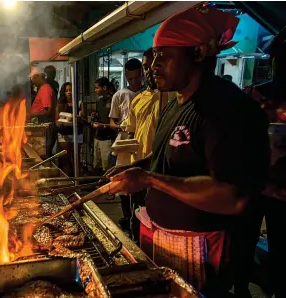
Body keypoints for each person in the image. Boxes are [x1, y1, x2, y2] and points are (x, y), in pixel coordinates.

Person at [105, 6, 270, 296]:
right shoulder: (174, 105)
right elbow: (166, 162)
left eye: (164, 56)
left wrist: (149, 179)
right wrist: (136, 170)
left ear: (198, 54)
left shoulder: (226, 109)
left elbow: (232, 197)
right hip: (167, 244)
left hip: (204, 253)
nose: (153, 65)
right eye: (153, 56)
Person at [239, 27, 286, 298]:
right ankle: (243, 287)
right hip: (257, 185)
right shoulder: (256, 95)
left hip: (270, 188)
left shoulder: (257, 95)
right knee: (244, 241)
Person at [123, 49, 176, 243]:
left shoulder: (173, 98)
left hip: (161, 171)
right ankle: (137, 245)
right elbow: (131, 132)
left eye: (154, 65)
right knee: (136, 213)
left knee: (157, 218)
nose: (150, 71)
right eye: (146, 67)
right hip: (138, 164)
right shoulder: (138, 99)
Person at [108, 58, 143, 232]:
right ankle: (126, 215)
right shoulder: (120, 95)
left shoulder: (149, 95)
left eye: (137, 78)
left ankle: (138, 217)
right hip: (123, 144)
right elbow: (112, 121)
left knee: (139, 179)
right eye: (131, 79)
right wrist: (121, 128)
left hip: (142, 144)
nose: (135, 82)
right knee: (122, 179)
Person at [56, 82, 86, 176]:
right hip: (64, 133)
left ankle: (76, 178)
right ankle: (67, 178)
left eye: (71, 90)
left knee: (76, 158)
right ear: (64, 92)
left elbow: (84, 119)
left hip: (76, 133)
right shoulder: (60, 103)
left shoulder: (80, 102)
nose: (69, 92)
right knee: (65, 158)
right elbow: (56, 120)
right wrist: (61, 122)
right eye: (67, 91)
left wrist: (77, 118)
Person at [29, 69, 57, 157]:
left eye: (32, 78)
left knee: (44, 155)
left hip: (46, 128)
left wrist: (30, 115)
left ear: (38, 76)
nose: (32, 81)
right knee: (42, 154)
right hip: (44, 128)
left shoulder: (45, 89)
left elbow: (47, 111)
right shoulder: (42, 89)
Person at [92, 77, 116, 173]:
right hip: (98, 137)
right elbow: (98, 115)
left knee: (107, 166)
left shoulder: (114, 100)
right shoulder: (99, 101)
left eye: (97, 88)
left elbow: (115, 121)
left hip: (107, 138)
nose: (95, 90)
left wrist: (104, 125)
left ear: (104, 88)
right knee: (96, 164)